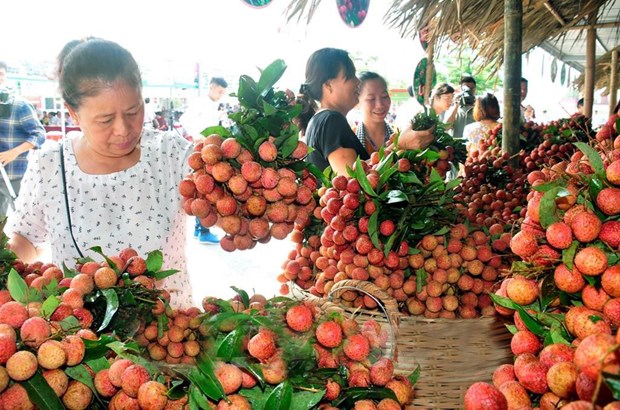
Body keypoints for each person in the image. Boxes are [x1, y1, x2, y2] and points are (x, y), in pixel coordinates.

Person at [4, 38, 193, 309]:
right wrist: (6, 261)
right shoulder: (49, 165)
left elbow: (223, 207)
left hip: (173, 335)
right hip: (83, 341)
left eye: (133, 111)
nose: (123, 129)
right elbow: (26, 237)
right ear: (72, 114)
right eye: (105, 120)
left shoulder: (172, 154)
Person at [297, 48, 367, 176]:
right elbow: (352, 184)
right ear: (328, 85)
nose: (357, 81)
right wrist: (400, 148)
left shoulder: (319, 120)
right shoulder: (331, 121)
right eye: (350, 76)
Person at [179, 77, 229, 245]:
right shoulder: (201, 102)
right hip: (201, 151)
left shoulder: (213, 105)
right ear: (212, 87)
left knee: (205, 188)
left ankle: (200, 228)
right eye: (219, 91)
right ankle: (203, 230)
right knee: (204, 189)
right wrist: (196, 136)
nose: (221, 95)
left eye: (223, 92)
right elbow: (184, 120)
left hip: (211, 152)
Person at [0, 61, 47, 217]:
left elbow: (39, 135)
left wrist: (14, 152)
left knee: (26, 224)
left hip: (16, 176)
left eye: (0, 74)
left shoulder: (20, 105)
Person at [355, 71, 393, 155]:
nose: (379, 105)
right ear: (356, 102)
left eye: (384, 96)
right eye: (371, 99)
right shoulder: (349, 140)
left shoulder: (399, 136)